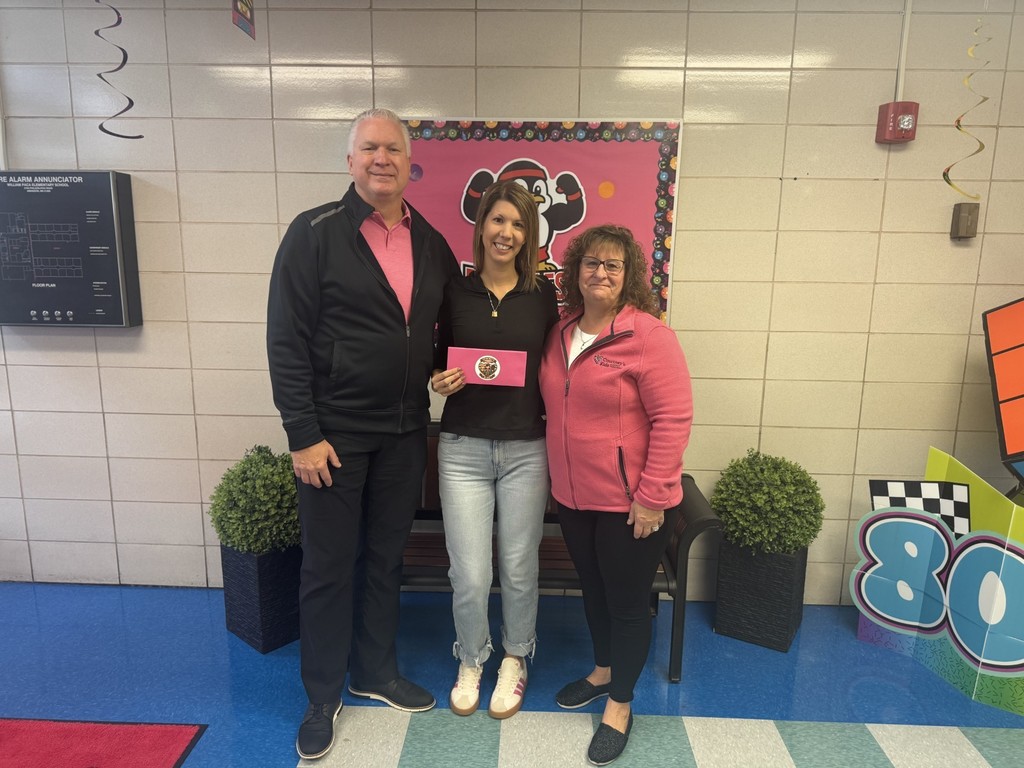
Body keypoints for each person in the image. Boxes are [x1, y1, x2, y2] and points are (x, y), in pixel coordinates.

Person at [266, 108, 458, 761]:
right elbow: (285, 339)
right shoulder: (314, 232)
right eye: (369, 148)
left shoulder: (430, 242)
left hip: (405, 433)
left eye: (394, 149)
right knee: (326, 567)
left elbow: (433, 333)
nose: (382, 158)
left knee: (385, 559)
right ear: (350, 161)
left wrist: (446, 370)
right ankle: (322, 694)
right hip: (334, 437)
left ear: (410, 163)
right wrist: (302, 431)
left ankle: (374, 671)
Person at [538, 224, 693, 766]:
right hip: (574, 498)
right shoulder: (560, 334)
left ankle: (620, 705)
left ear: (628, 278)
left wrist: (652, 496)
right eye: (591, 264)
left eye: (613, 266)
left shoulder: (649, 336)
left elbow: (673, 419)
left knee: (627, 604)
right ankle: (603, 672)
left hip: (633, 503)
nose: (600, 273)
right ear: (575, 271)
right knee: (594, 591)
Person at [431, 180, 559, 719]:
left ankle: (515, 658)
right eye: (498, 220)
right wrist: (440, 382)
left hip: (527, 450)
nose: (506, 232)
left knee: (519, 565)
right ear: (481, 226)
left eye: (517, 224)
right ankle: (472, 658)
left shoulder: (544, 295)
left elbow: (555, 370)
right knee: (470, 572)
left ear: (528, 236)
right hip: (461, 449)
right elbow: (437, 363)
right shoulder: (453, 291)